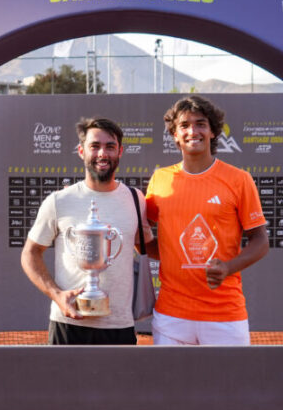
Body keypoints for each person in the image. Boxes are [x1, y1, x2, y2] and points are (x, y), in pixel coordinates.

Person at [145, 95, 269, 345]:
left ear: (212, 131)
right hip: (171, 315)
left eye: (200, 124)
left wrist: (228, 268)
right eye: (184, 125)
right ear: (175, 134)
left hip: (225, 315)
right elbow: (149, 242)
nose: (193, 131)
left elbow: (260, 241)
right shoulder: (160, 179)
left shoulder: (239, 180)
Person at [21, 117, 154, 345]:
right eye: (95, 146)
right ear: (81, 151)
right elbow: (30, 253)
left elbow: (149, 247)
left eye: (110, 146)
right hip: (68, 322)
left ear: (120, 152)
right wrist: (57, 295)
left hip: (119, 325)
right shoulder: (59, 201)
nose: (102, 153)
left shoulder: (136, 199)